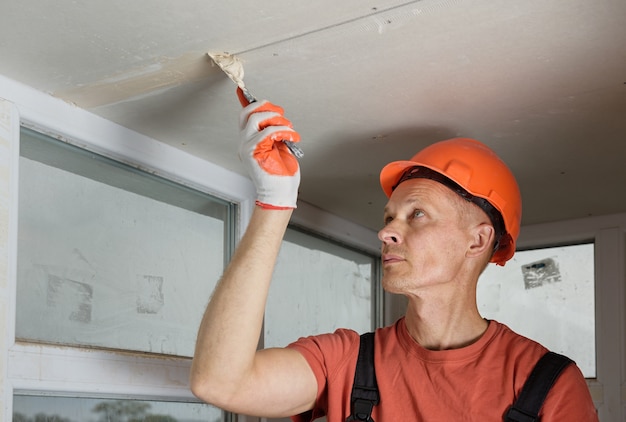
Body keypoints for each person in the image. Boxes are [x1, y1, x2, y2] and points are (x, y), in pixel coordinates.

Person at [190, 91, 598, 421]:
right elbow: (221, 383)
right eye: (388, 217)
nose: (385, 231)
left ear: (477, 241)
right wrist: (274, 201)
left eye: (416, 215)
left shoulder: (547, 384)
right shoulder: (346, 362)